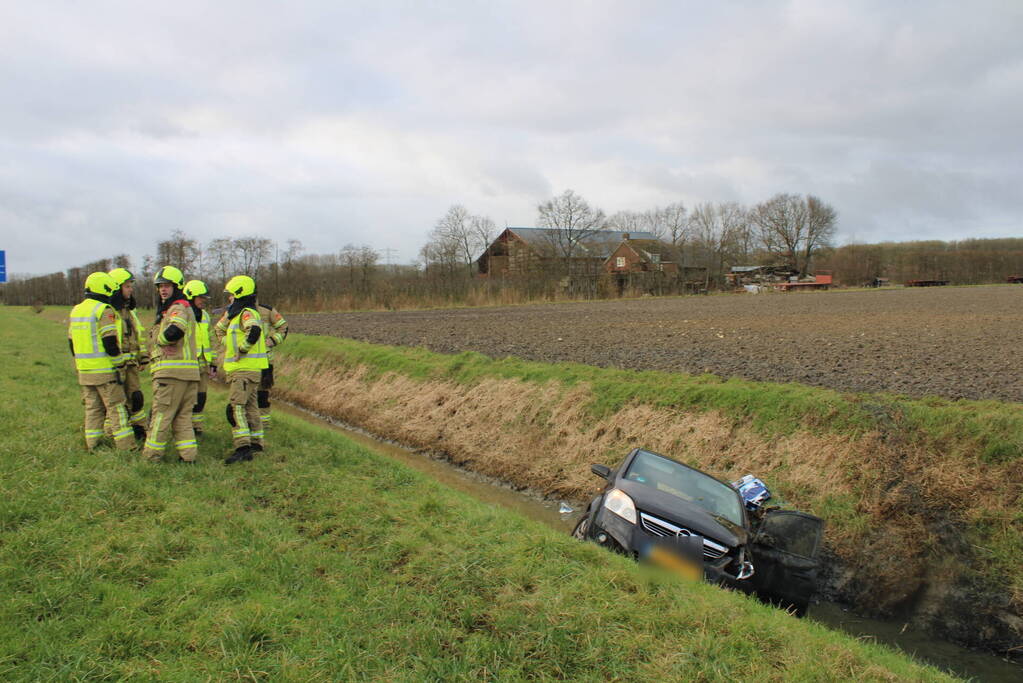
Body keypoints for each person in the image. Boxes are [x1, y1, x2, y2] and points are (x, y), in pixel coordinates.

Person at [67, 272, 134, 451]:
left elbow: (71, 343)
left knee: (93, 409)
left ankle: (93, 444)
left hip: (84, 371)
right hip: (105, 372)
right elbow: (110, 342)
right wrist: (120, 363)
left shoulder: (76, 310)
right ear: (105, 289)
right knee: (116, 409)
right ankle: (126, 447)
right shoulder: (104, 310)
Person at [143, 266, 200, 463]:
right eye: (160, 287)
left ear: (177, 287)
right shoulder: (183, 307)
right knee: (183, 418)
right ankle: (188, 458)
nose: (162, 290)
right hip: (189, 374)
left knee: (161, 417)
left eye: (167, 286)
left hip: (171, 373)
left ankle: (151, 458)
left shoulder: (177, 307)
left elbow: (175, 331)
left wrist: (160, 341)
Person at [215, 275, 268, 464]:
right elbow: (219, 330)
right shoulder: (238, 313)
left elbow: (254, 331)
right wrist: (230, 344)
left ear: (239, 294)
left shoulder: (246, 313)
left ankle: (243, 447)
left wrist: (241, 349)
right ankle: (256, 444)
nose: (229, 298)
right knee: (251, 407)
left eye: (231, 295)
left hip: (243, 371)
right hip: (251, 370)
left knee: (235, 408)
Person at [108, 267, 149, 441]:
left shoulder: (130, 313)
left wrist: (143, 357)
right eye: (127, 286)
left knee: (136, 397)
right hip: (115, 366)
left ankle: (138, 428)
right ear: (117, 288)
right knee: (116, 401)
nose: (131, 290)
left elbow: (138, 336)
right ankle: (113, 432)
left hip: (131, 364)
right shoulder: (109, 313)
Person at [183, 280, 214, 435]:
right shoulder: (183, 315)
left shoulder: (206, 316)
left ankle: (197, 427)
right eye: (200, 297)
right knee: (186, 397)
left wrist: (213, 362)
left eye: (205, 298)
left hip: (203, 363)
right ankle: (185, 426)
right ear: (191, 296)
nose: (203, 300)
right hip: (187, 363)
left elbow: (210, 339)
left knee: (201, 396)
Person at [256, 299, 288, 430]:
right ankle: (248, 424)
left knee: (262, 395)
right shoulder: (233, 311)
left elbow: (283, 327)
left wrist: (272, 340)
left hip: (265, 361)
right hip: (243, 362)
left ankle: (264, 426)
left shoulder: (267, 310)